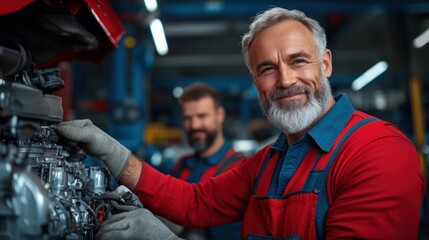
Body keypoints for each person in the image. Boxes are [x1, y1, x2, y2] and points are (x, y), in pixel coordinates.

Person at [57, 7, 426, 240]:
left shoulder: (378, 153)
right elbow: (195, 202)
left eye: (299, 61)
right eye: (267, 68)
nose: (284, 81)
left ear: (325, 64)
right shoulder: (271, 161)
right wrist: (110, 150)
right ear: (255, 82)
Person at [162, 82, 246, 240]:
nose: (194, 125)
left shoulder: (241, 168)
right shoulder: (181, 165)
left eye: (202, 116)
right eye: (188, 118)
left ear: (220, 115)